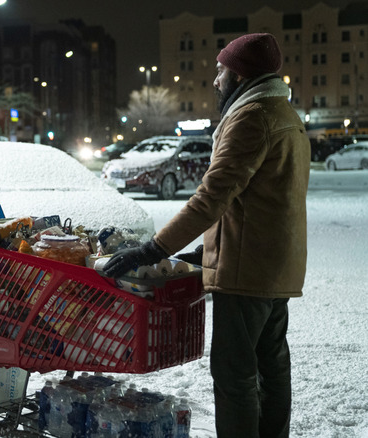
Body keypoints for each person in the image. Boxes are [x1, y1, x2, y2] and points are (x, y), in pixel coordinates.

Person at [101, 33, 309, 438]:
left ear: (240, 75)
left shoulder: (253, 117)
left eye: (221, 71)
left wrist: (152, 249)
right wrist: (206, 250)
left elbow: (211, 197)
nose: (216, 80)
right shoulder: (285, 115)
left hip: (247, 274)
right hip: (275, 266)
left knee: (235, 377)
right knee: (271, 369)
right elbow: (263, 201)